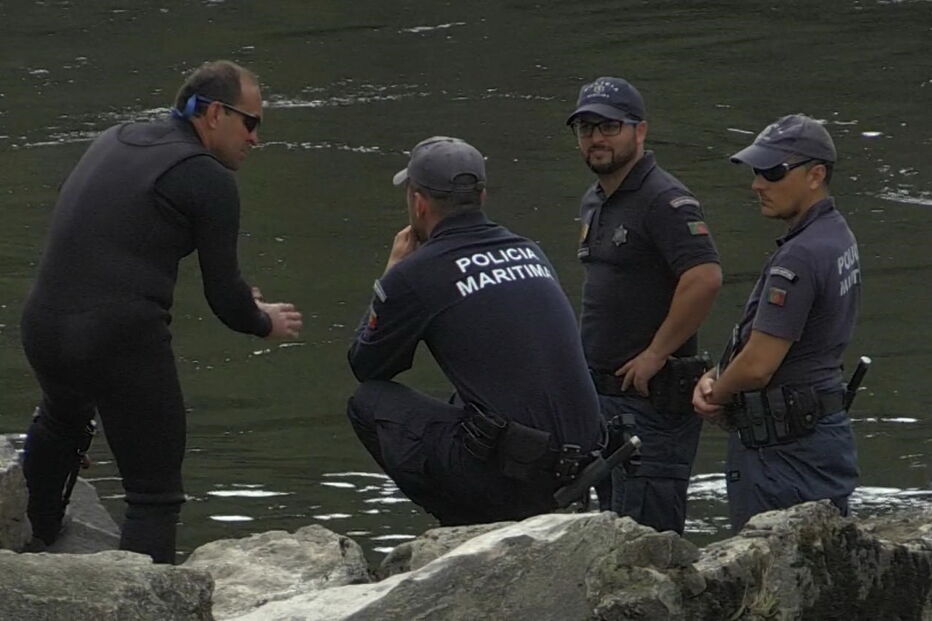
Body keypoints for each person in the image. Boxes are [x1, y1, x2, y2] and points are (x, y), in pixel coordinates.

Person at [19, 60, 302, 563]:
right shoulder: (207, 176)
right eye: (251, 123)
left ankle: (31, 545)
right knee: (154, 495)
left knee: (61, 422)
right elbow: (225, 300)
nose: (256, 139)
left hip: (44, 323)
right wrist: (263, 320)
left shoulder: (116, 136)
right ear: (215, 113)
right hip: (119, 337)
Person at [346, 136, 604, 525]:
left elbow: (368, 365)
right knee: (460, 402)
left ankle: (460, 527)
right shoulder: (530, 251)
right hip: (580, 466)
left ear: (418, 203)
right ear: (481, 198)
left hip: (517, 480)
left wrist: (393, 273)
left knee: (367, 403)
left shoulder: (418, 273)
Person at [567, 77, 722, 534]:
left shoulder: (664, 199)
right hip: (602, 397)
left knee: (649, 539)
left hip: (651, 404)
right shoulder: (596, 199)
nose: (596, 138)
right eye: (585, 127)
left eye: (609, 126)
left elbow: (705, 276)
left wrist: (657, 354)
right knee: (611, 532)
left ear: (640, 131)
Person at [692, 114, 861, 531]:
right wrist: (718, 373)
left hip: (784, 456)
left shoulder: (800, 255)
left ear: (815, 174)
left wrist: (718, 393)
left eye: (772, 171)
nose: (757, 184)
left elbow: (758, 364)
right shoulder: (838, 235)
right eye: (756, 171)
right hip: (817, 436)